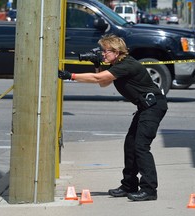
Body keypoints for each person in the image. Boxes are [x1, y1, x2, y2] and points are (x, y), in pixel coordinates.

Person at [58, 34, 168, 201]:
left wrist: (70, 76)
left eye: (105, 51)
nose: (103, 54)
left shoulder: (127, 64)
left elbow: (98, 79)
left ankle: (149, 189)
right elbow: (103, 82)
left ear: (116, 52)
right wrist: (97, 65)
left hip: (153, 107)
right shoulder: (118, 64)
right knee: (130, 145)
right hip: (145, 107)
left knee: (141, 147)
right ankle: (129, 185)